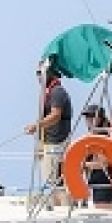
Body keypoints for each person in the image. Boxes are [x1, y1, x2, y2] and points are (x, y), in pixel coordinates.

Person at [24, 63, 72, 203]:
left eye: (40, 73)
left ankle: (61, 207)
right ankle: (56, 204)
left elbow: (55, 115)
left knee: (55, 181)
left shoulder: (57, 92)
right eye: (37, 73)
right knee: (51, 181)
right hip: (49, 142)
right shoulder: (48, 93)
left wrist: (36, 126)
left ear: (50, 73)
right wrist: (39, 144)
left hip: (57, 142)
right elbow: (44, 118)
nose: (38, 77)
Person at [79, 105, 112, 205]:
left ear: (100, 118)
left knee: (103, 210)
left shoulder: (102, 137)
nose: (88, 119)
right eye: (87, 117)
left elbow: (104, 163)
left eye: (91, 116)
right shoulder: (94, 136)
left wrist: (84, 164)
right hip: (97, 183)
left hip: (104, 183)